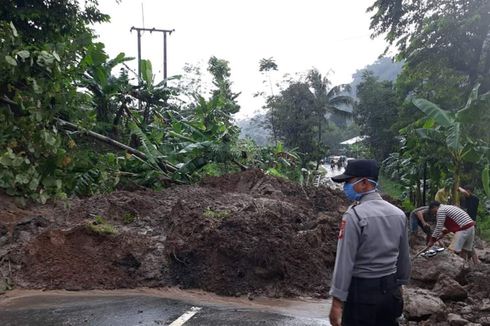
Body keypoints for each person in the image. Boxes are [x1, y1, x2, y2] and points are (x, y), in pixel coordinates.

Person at [328, 159, 410, 326]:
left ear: (364, 182)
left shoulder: (354, 216)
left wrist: (337, 302)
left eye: (348, 182)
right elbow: (404, 257)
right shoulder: (398, 214)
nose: (345, 187)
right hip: (390, 292)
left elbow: (345, 262)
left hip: (362, 295)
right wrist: (400, 285)